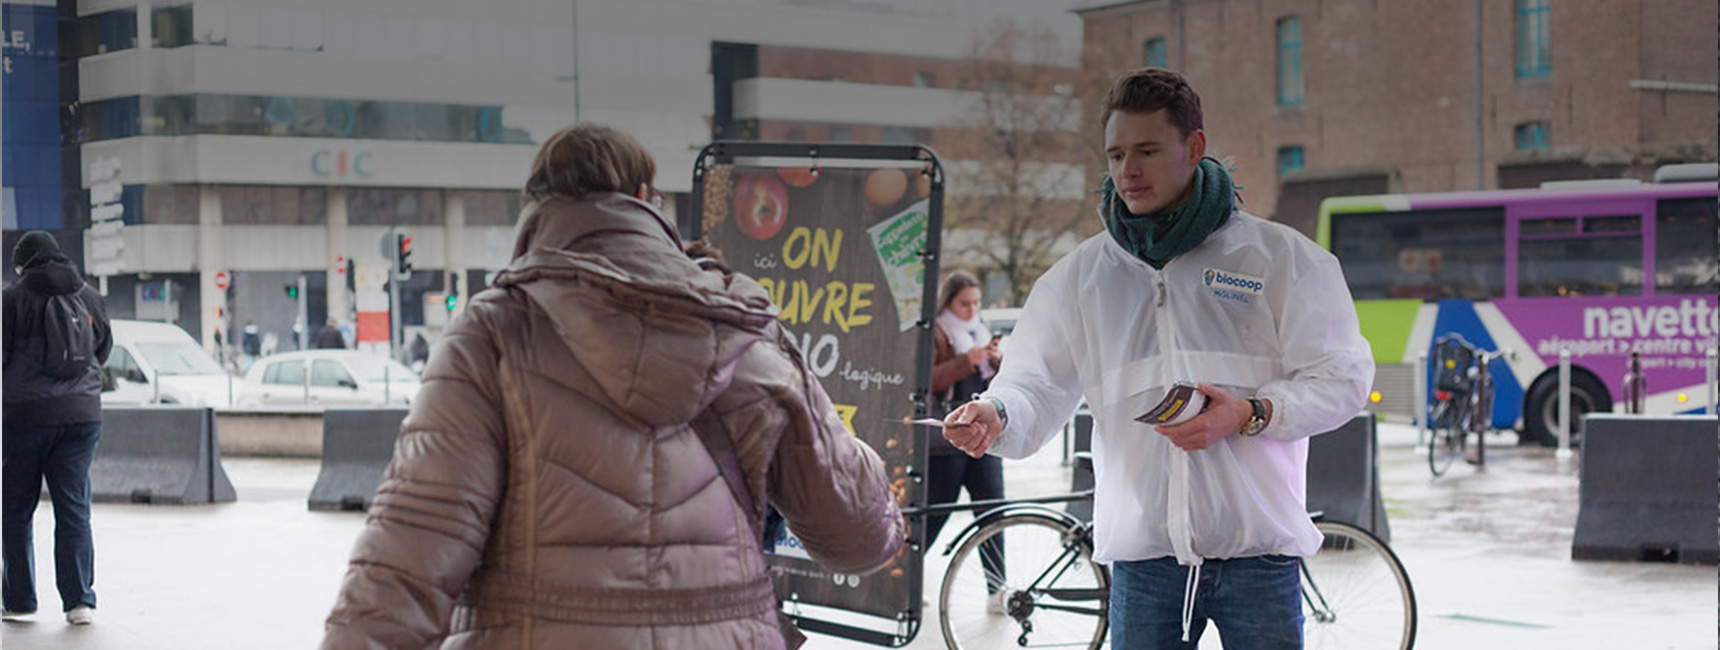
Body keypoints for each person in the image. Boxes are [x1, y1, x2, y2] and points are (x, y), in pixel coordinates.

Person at [321, 123, 905, 650]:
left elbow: (406, 557)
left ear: (535, 209)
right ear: (647, 200)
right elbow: (858, 539)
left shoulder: (492, 331)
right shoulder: (747, 327)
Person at [942, 68, 1373, 649]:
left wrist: (1251, 412)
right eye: (1116, 154)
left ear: (1194, 147)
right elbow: (1035, 385)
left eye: (1146, 150)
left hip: (1259, 560)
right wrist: (997, 412)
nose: (1128, 171)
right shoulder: (1081, 279)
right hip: (1144, 568)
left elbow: (1343, 378)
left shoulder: (1280, 259)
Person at [2, 231, 112, 626]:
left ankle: (19, 599)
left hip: (25, 417)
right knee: (74, 509)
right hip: (82, 417)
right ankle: (79, 602)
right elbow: (103, 351)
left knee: (15, 510)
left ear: (25, 263)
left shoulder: (11, 301)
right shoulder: (90, 297)